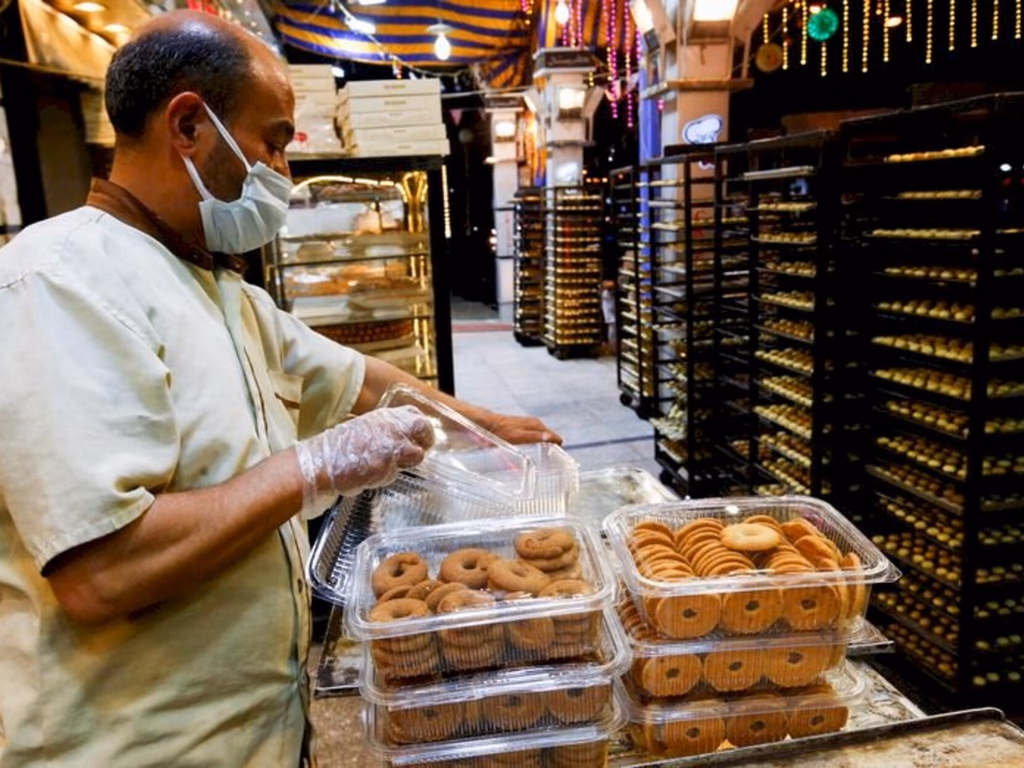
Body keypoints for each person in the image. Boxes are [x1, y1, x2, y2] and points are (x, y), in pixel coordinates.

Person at [0, 11, 559, 767]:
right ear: (189, 125)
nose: (281, 174)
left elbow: (362, 381)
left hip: (257, 728)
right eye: (273, 141)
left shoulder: (215, 288)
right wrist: (315, 466)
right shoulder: (60, 282)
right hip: (138, 744)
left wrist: (493, 430)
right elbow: (103, 572)